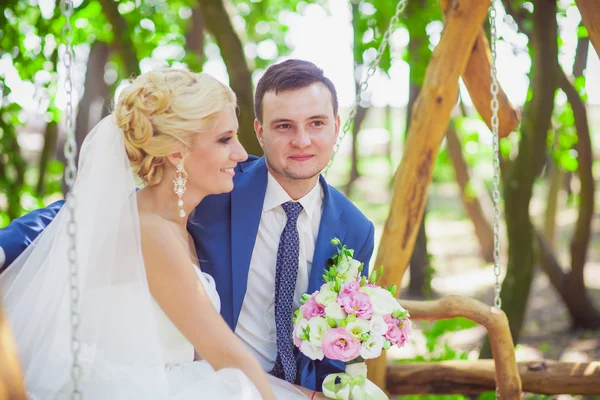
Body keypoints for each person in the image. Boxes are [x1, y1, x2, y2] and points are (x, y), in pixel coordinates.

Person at [0, 59, 375, 398]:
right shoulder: (212, 187)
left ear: (337, 126)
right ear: (261, 131)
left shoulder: (355, 228)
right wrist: (5, 244)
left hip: (238, 381)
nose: (302, 140)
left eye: (317, 123)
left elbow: (339, 344)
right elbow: (86, 212)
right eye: (283, 126)